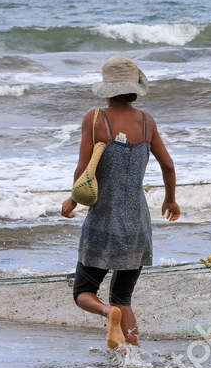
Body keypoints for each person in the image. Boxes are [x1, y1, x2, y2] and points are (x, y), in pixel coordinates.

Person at [60, 56, 180, 348]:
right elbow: (168, 166)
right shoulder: (146, 121)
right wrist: (170, 200)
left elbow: (83, 167)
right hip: (137, 223)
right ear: (133, 87)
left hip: (103, 221)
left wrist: (72, 202)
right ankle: (134, 357)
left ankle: (106, 312)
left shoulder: (95, 118)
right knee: (123, 298)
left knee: (83, 292)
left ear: (108, 88)